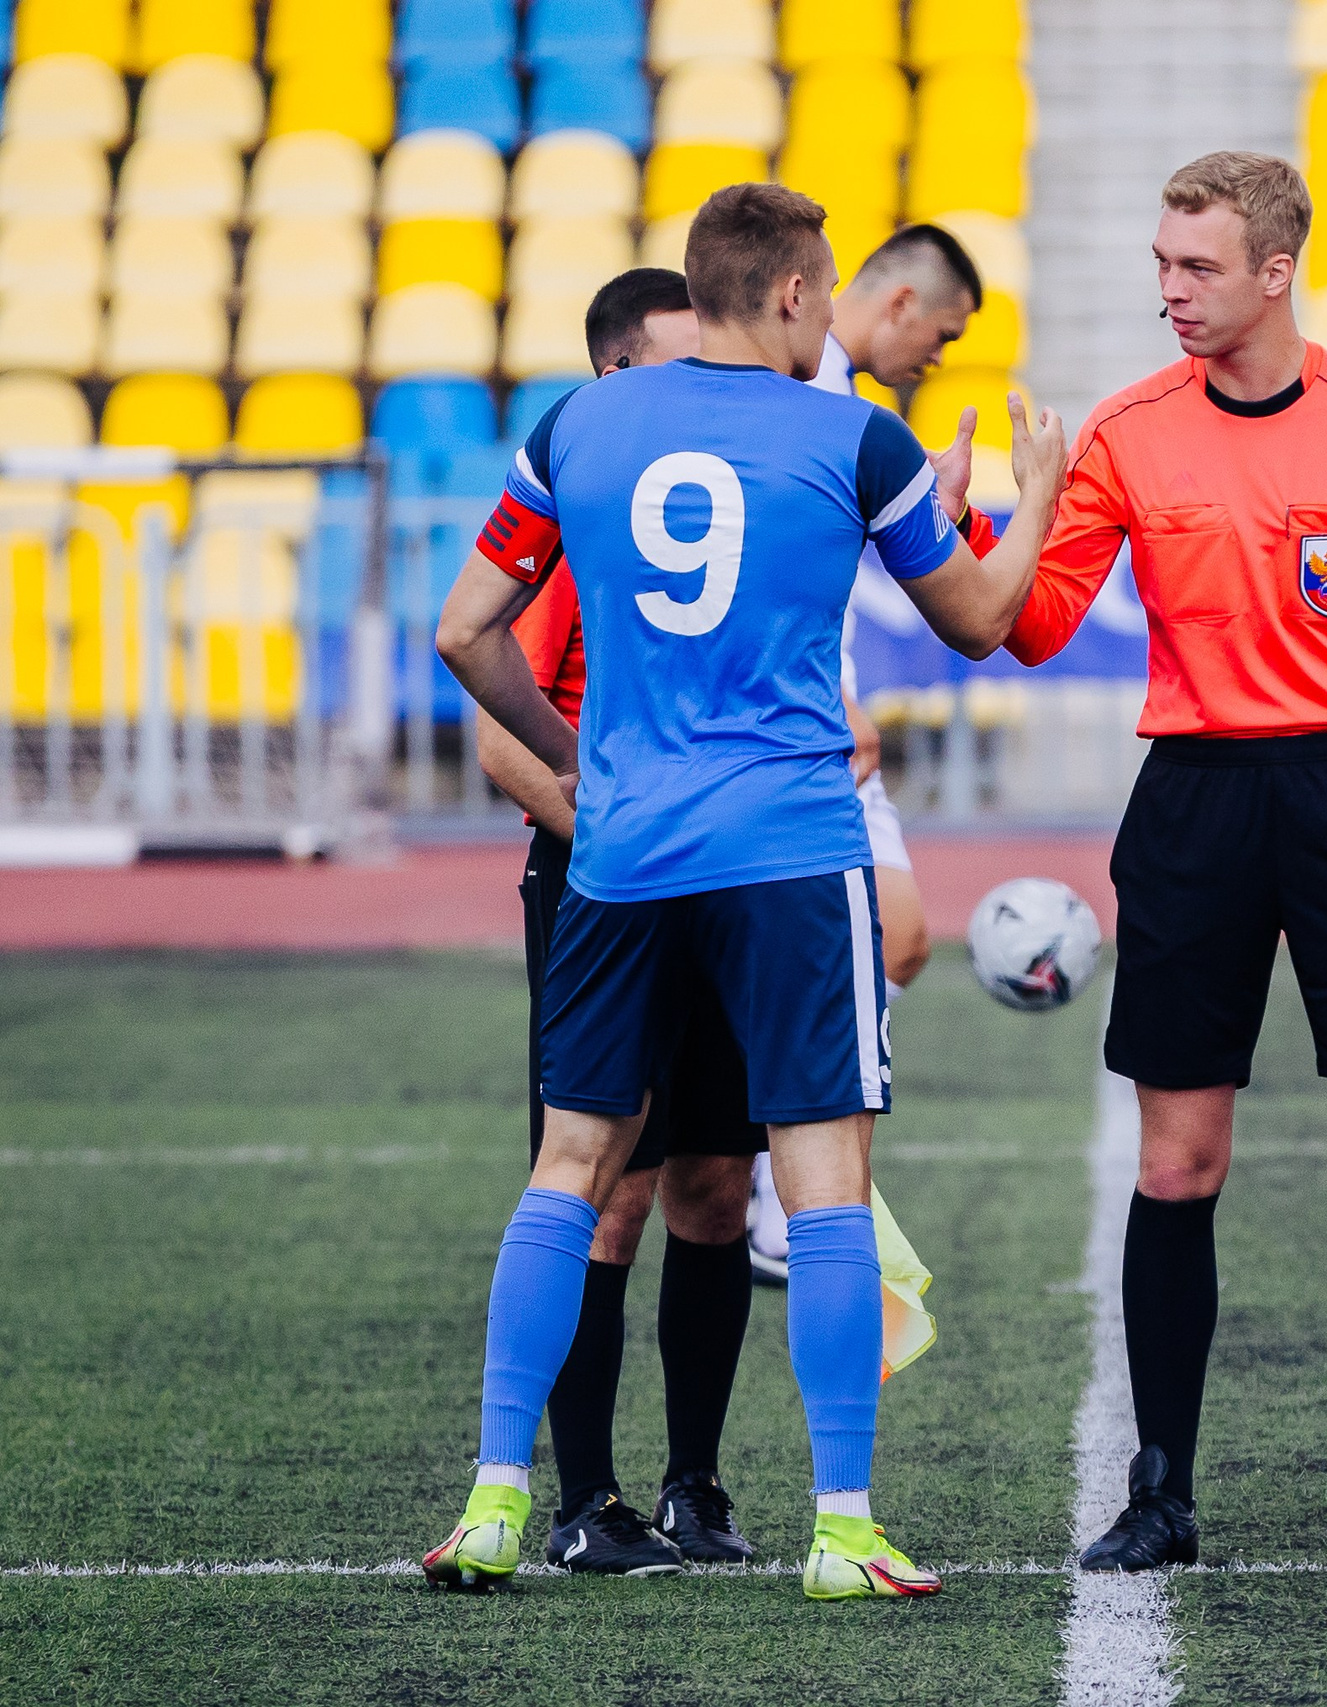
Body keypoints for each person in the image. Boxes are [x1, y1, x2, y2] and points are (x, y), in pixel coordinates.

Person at [425, 182, 1069, 1601]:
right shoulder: (853, 433)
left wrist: (580, 761)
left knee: (570, 1170)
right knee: (823, 1182)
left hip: (625, 849)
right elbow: (979, 620)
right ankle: (843, 1525)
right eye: (823, 293)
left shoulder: (577, 424)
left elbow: (463, 630)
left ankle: (491, 1499)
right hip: (786, 850)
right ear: (788, 295)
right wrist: (1043, 504)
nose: (828, 315)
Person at [998, 152, 1327, 1573]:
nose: (1169, 291)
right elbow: (1032, 627)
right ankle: (1159, 1492)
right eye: (1162, 264)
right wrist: (1025, 509)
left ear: (1275, 271)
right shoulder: (1122, 430)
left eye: (1198, 268)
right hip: (1197, 799)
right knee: (1179, 1163)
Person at [473, 268, 756, 1576]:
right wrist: (626, 837)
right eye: (664, 371)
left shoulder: (710, 506)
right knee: (604, 1187)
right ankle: (585, 1498)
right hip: (607, 886)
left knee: (717, 1182)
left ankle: (696, 1483)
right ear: (607, 380)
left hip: (729, 886)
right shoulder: (584, 521)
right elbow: (494, 732)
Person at [747, 223, 997, 1284]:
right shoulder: (814, 396)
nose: (932, 360)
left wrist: (937, 514)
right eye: (936, 338)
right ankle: (783, 1195)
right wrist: (834, 694)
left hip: (822, 717)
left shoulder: (853, 405)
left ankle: (785, 1190)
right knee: (873, 939)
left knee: (899, 940)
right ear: (896, 305)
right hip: (794, 723)